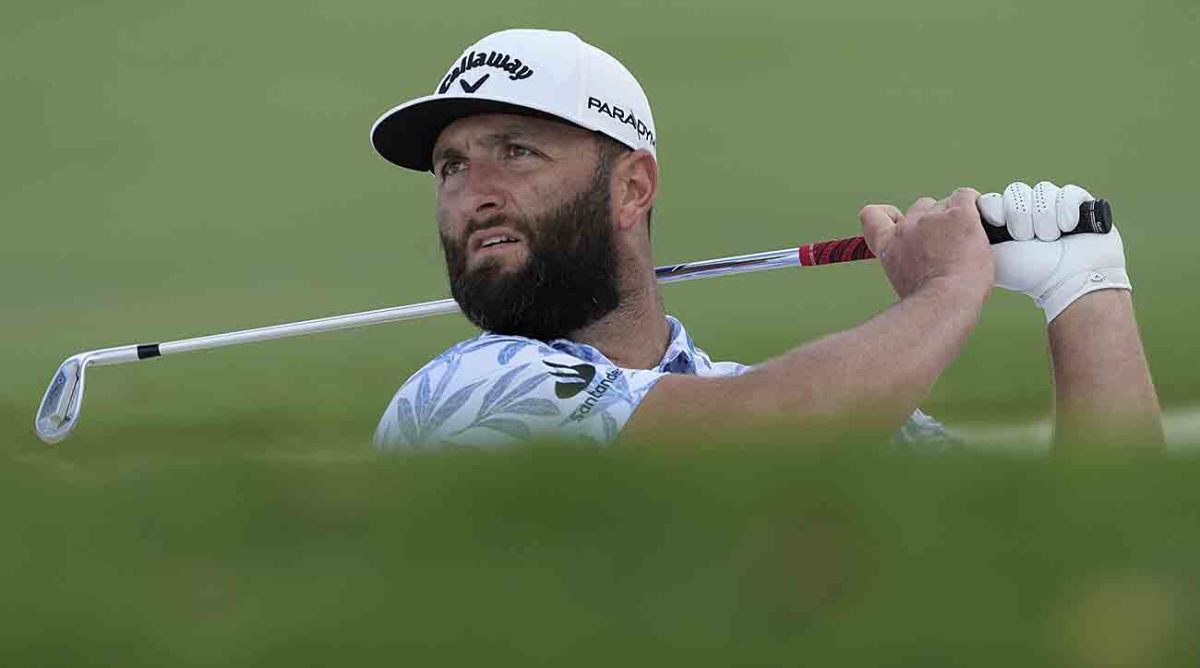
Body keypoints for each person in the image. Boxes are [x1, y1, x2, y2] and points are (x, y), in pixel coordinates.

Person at [369, 28, 1162, 451]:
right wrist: (950, 287)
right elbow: (767, 431)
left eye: (515, 152)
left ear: (632, 188)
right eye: (450, 167)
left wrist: (1084, 287)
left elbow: (1087, 547)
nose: (473, 194)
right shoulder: (460, 397)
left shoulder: (809, 406)